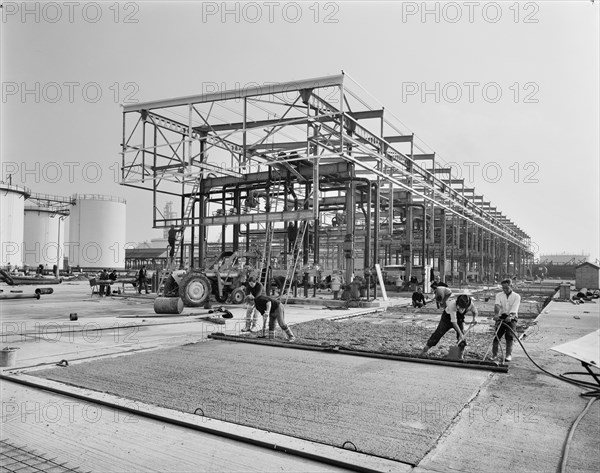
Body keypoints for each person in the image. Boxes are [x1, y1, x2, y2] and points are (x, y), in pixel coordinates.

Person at [420, 294, 478, 359]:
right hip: (447, 318)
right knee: (438, 333)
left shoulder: (470, 304)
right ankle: (425, 349)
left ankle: (460, 355)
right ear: (458, 303)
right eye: (460, 307)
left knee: (462, 339)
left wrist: (474, 318)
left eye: (463, 308)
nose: (461, 309)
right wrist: (461, 334)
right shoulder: (452, 304)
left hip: (459, 319)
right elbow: (454, 322)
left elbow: (475, 311)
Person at [492, 279, 521, 362]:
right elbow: (497, 305)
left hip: (512, 317)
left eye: (507, 288)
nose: (505, 290)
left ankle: (508, 355)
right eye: (503, 288)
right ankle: (494, 355)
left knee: (509, 336)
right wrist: (496, 314)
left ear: (511, 286)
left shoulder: (516, 296)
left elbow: (515, 308)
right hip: (502, 316)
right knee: (496, 336)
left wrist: (510, 316)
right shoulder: (499, 295)